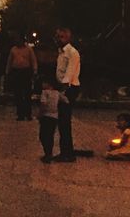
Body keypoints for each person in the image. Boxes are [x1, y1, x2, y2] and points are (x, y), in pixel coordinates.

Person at [54, 27, 81, 163]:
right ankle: (65, 151)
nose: (59, 39)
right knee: (62, 121)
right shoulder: (61, 52)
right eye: (58, 36)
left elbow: (69, 73)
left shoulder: (72, 53)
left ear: (68, 38)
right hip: (63, 87)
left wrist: (63, 90)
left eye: (62, 37)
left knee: (64, 121)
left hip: (69, 88)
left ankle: (68, 153)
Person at [5, 35, 38, 121]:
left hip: (26, 72)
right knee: (18, 94)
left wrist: (34, 71)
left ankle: (28, 114)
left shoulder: (29, 49)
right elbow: (10, 60)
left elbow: (33, 60)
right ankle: (20, 114)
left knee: (27, 94)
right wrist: (7, 71)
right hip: (16, 72)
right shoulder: (13, 50)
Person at [37, 77, 64, 163]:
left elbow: (43, 104)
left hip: (46, 116)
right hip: (54, 117)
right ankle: (49, 153)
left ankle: (47, 153)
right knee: (50, 135)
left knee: (43, 135)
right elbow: (66, 100)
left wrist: (39, 114)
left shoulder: (44, 93)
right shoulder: (57, 93)